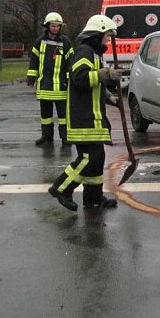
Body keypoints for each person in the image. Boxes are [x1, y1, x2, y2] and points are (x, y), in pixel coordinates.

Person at [49, 14, 123, 211]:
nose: (108, 39)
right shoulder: (84, 51)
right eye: (107, 35)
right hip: (84, 119)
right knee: (88, 159)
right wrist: (105, 74)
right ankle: (61, 187)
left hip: (93, 118)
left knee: (97, 159)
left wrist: (109, 97)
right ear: (97, 34)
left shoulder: (95, 54)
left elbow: (95, 84)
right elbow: (79, 77)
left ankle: (93, 198)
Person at [27, 12, 74, 146]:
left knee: (63, 116)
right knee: (45, 115)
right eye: (53, 26)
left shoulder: (65, 42)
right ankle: (46, 136)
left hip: (61, 85)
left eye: (57, 26)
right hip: (45, 85)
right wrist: (31, 78)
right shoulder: (39, 42)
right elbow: (34, 62)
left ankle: (65, 138)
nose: (55, 28)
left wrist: (69, 78)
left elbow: (70, 61)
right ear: (47, 26)